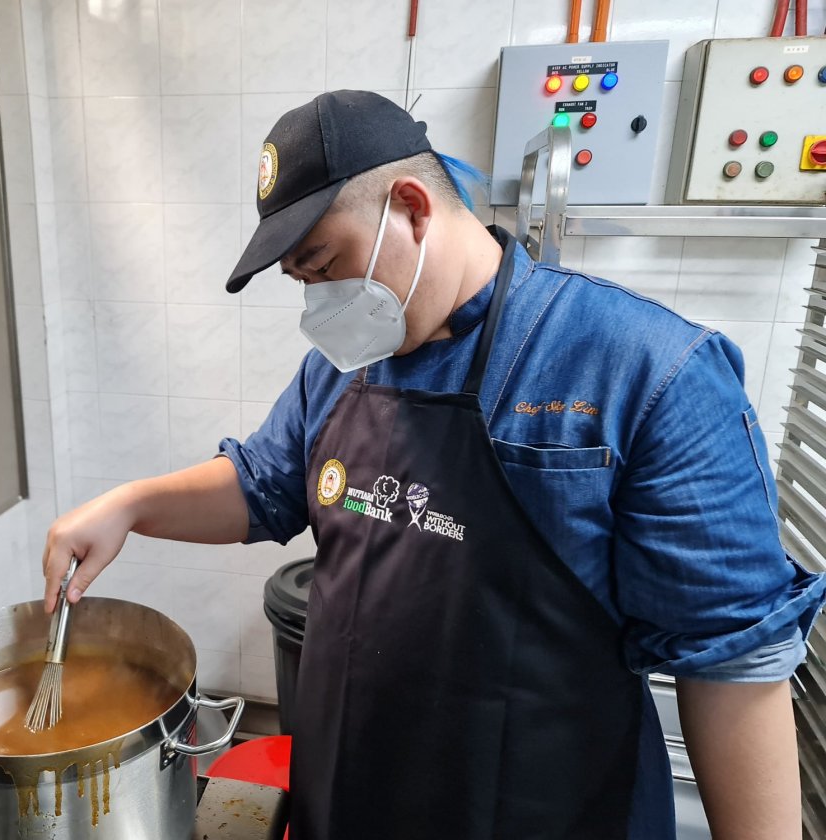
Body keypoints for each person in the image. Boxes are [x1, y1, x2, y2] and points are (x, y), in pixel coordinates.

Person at [42, 90, 826, 839]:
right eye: (303, 283)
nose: (320, 300)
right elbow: (261, 485)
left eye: (325, 263)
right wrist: (130, 505)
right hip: (353, 802)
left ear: (411, 208)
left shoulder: (643, 371)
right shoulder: (345, 368)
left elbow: (736, 667)